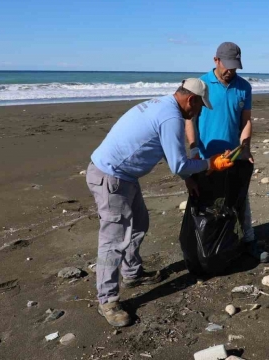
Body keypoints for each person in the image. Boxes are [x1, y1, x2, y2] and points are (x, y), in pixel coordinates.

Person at [86, 78, 234, 327]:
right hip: (111, 178)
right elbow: (177, 163)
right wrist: (210, 164)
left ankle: (132, 273)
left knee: (139, 223)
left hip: (124, 176)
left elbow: (168, 149)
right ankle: (107, 300)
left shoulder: (162, 105)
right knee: (113, 242)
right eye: (199, 108)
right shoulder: (171, 117)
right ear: (191, 100)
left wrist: (188, 179)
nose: (197, 113)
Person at [185, 42, 269, 263]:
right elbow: (190, 120)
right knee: (204, 205)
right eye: (227, 66)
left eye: (235, 67)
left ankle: (248, 240)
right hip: (206, 159)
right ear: (216, 60)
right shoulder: (201, 84)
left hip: (232, 157)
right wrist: (194, 149)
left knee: (240, 200)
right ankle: (205, 247)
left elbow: (246, 121)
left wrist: (245, 148)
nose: (230, 71)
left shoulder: (244, 87)